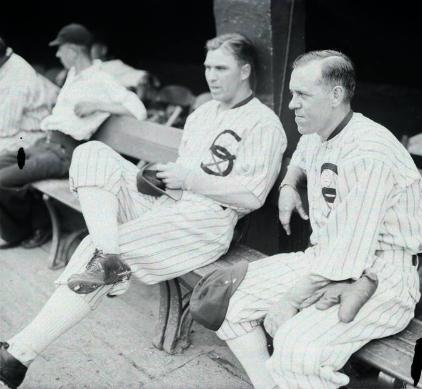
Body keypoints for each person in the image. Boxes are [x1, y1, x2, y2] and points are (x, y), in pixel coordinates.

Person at [0, 32, 287, 388]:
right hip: (169, 205)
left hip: (208, 220)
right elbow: (183, 172)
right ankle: (110, 257)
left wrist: (190, 179)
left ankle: (15, 357)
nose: (211, 75)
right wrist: (157, 178)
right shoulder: (202, 114)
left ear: (244, 71)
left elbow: (253, 196)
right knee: (91, 154)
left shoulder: (263, 123)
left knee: (91, 251)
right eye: (207, 66)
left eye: (221, 67)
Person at [196, 50, 422, 389]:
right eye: (293, 93)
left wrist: (289, 301)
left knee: (297, 349)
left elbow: (348, 255)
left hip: (382, 275)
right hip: (328, 260)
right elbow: (302, 155)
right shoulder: (320, 131)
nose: (292, 104)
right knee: (227, 302)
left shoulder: (370, 153)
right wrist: (289, 184)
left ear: (336, 95)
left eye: (302, 95)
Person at [0, 23, 146, 250]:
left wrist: (97, 104)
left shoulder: (100, 78)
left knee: (3, 180)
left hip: (65, 153)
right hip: (45, 144)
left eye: (60, 49)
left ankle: (29, 228)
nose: (57, 54)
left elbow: (139, 109)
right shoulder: (73, 75)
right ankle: (25, 226)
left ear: (73, 50)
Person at [0, 36, 59, 153]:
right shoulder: (8, 61)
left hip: (33, 135)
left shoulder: (15, 80)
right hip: (18, 129)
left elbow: (5, 129)